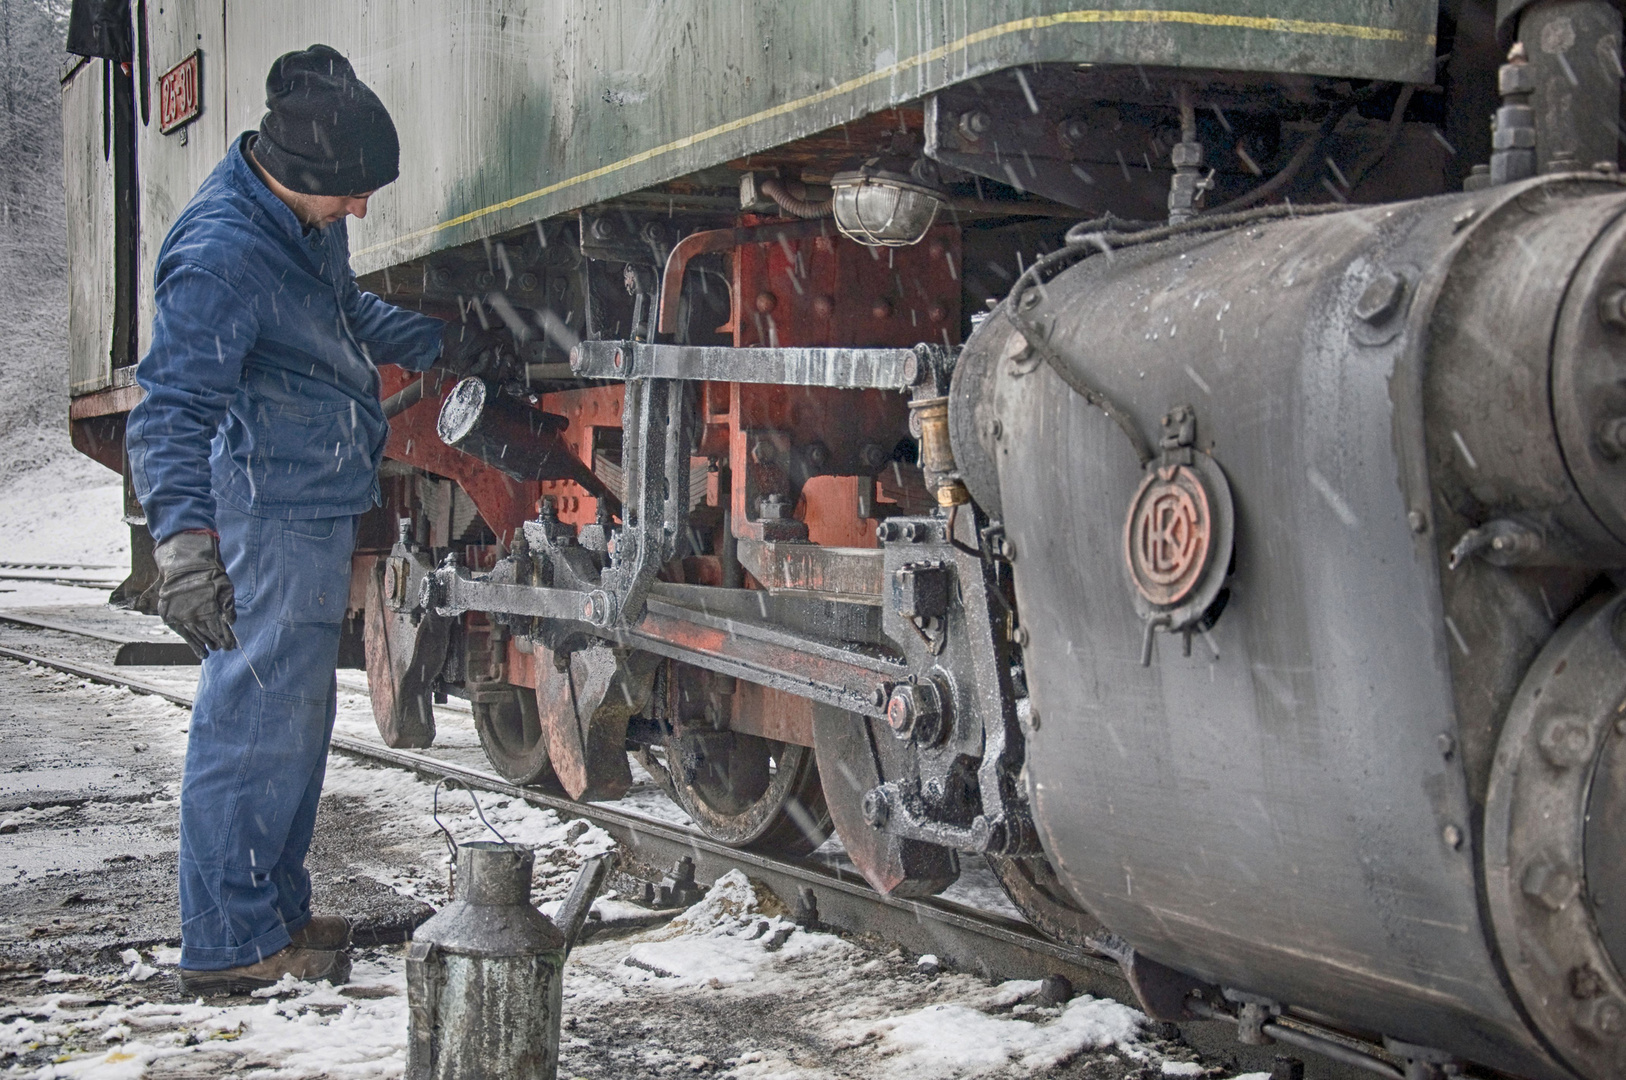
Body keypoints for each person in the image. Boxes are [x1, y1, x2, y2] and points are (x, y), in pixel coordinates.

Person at [126, 44, 492, 994]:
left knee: (291, 724)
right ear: (299, 174)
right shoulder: (219, 255)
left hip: (314, 496)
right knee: (251, 726)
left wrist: (447, 339)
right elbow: (169, 411)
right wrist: (186, 550)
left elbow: (343, 314)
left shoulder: (295, 224)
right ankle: (229, 945)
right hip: (268, 509)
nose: (363, 211)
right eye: (354, 194)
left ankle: (272, 913)